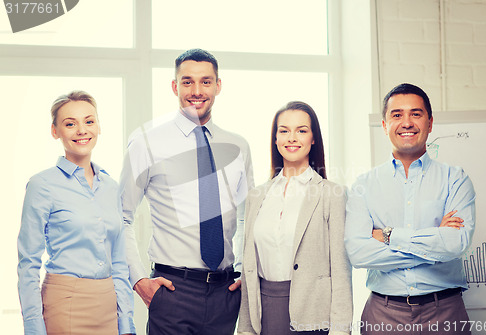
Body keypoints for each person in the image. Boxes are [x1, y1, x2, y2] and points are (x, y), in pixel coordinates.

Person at [120, 48, 254, 335]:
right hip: (172, 293)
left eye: (206, 81)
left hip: (225, 293)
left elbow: (247, 218)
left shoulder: (239, 146)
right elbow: (122, 216)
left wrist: (245, 270)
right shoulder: (146, 143)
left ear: (218, 85)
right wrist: (139, 280)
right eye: (187, 81)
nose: (197, 90)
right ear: (174, 86)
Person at [344, 83, 476, 335]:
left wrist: (388, 235)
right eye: (397, 115)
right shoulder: (364, 185)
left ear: (430, 122)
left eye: (416, 114)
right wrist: (433, 241)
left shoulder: (456, 179)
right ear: (384, 125)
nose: (407, 122)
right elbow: (359, 254)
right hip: (383, 314)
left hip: (445, 312)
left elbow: (455, 244)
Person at [17, 91, 136, 335]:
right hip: (65, 303)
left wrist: (126, 323)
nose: (82, 130)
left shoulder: (111, 187)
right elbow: (28, 262)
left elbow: (119, 262)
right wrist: (33, 329)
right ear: (55, 131)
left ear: (99, 126)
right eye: (70, 124)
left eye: (89, 121)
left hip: (108, 306)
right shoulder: (42, 185)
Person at [238, 101, 353, 335]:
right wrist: (246, 329)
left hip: (314, 315)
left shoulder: (331, 194)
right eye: (284, 131)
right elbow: (248, 268)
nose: (292, 138)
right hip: (264, 313)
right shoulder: (256, 196)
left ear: (313, 139)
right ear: (275, 139)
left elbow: (341, 271)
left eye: (301, 130)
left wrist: (341, 330)